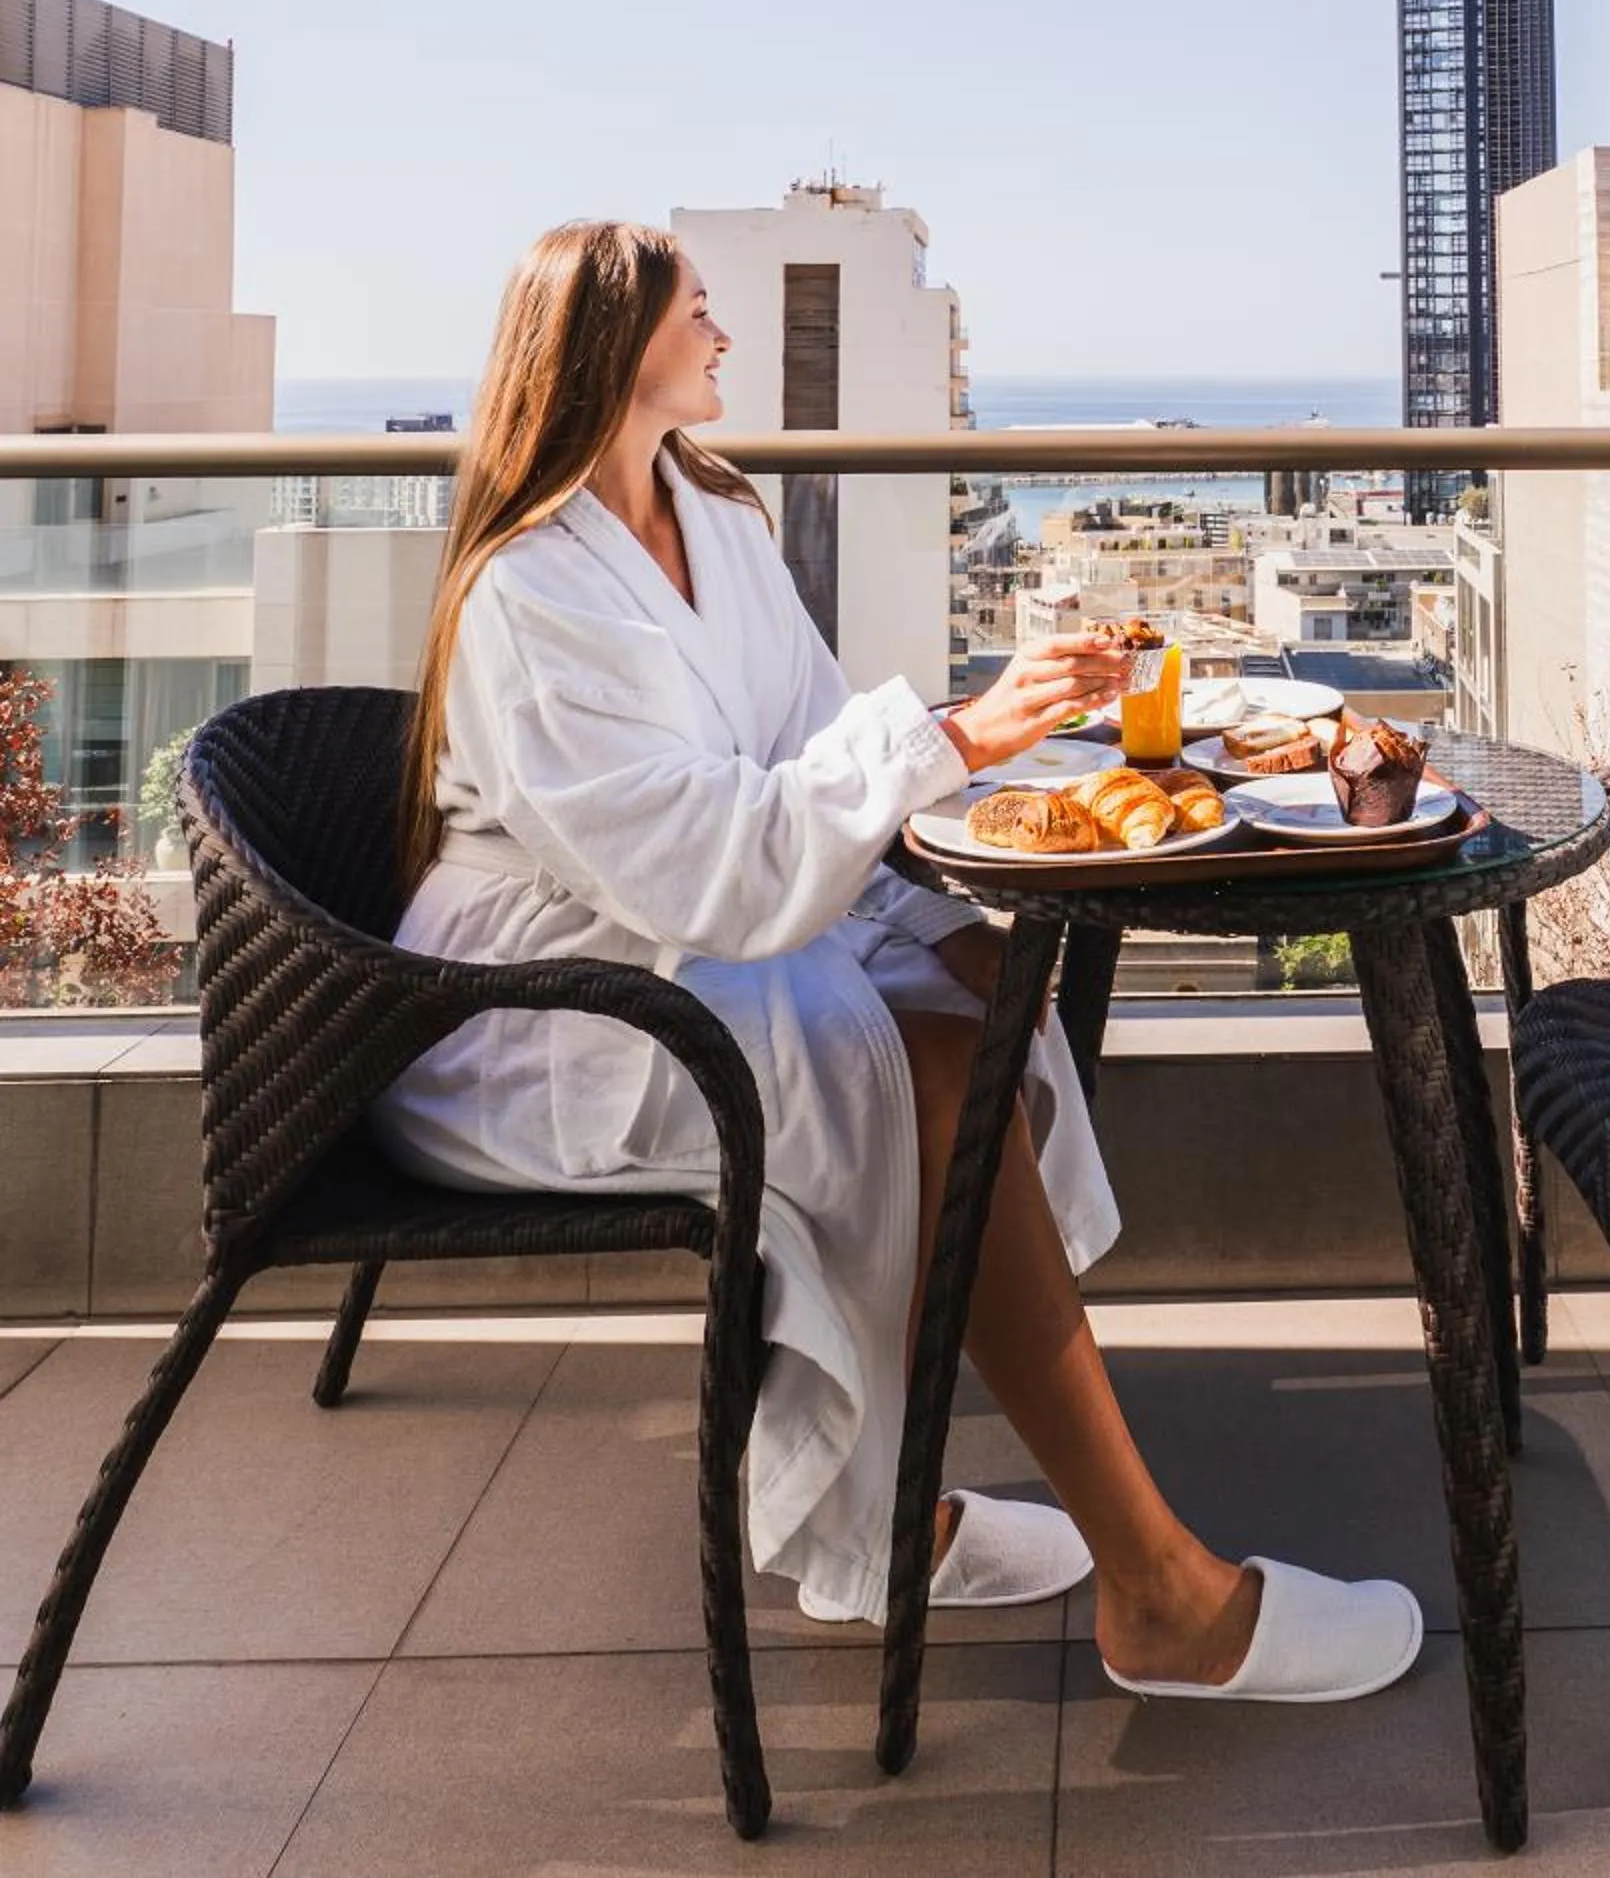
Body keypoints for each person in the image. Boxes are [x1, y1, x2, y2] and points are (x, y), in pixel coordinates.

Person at [376, 218, 1420, 1702]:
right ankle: (1162, 1591)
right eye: (697, 314)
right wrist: (953, 738)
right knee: (927, 1084)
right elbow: (688, 856)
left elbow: (804, 746)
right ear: (613, 350)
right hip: (549, 1006)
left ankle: (906, 1509)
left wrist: (960, 832)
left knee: (987, 1005)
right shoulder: (529, 593)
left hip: (700, 944)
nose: (723, 337)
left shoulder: (714, 516)